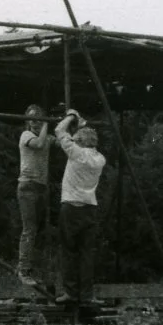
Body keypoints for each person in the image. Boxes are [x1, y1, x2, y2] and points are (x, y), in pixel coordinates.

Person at [55, 109, 107, 309]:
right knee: (86, 254)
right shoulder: (100, 159)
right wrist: (82, 128)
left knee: (69, 251)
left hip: (71, 206)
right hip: (89, 208)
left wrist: (71, 116)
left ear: (79, 142)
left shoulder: (75, 153)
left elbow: (59, 130)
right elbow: (84, 141)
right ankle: (86, 294)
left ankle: (70, 292)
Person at [16, 104, 53, 285]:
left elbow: (65, 143)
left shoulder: (46, 137)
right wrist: (47, 122)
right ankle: (23, 270)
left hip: (41, 187)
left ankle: (35, 270)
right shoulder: (26, 135)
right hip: (28, 185)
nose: (35, 122)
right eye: (32, 119)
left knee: (40, 231)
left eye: (39, 119)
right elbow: (38, 144)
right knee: (29, 229)